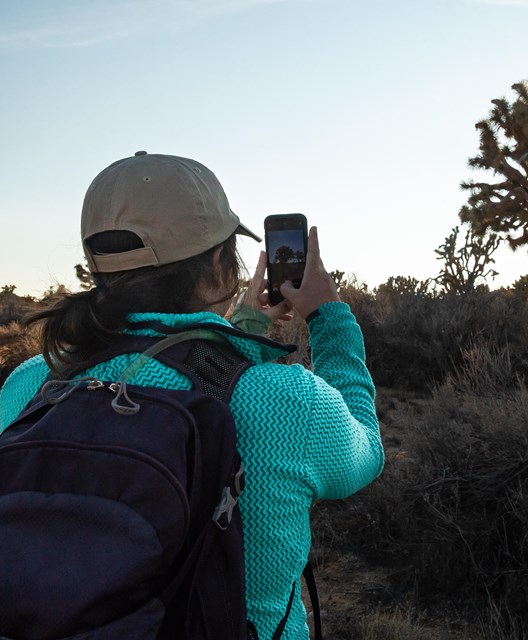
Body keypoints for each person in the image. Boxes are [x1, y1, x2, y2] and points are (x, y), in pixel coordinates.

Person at [0, 152, 384, 639]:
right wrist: (330, 317)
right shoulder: (288, 401)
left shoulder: (32, 382)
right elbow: (366, 448)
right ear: (219, 269)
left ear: (97, 270)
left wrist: (240, 333)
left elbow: (156, 368)